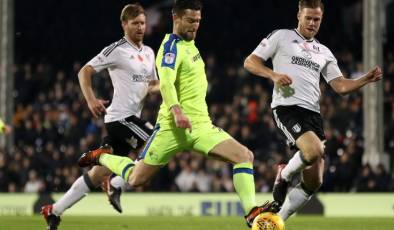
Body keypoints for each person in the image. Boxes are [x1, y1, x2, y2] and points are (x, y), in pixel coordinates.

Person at [78, 0, 273, 227]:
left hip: (200, 126)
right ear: (175, 18)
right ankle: (101, 156)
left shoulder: (191, 45)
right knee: (135, 179)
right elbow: (167, 82)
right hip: (171, 127)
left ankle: (250, 213)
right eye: (190, 21)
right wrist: (176, 111)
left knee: (244, 156)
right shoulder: (170, 47)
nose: (195, 26)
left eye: (198, 21)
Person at [244, 0, 382, 222]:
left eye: (316, 19)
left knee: (314, 181)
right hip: (287, 109)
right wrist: (273, 75)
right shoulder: (281, 36)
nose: (312, 23)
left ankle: (276, 220)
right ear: (298, 15)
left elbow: (340, 86)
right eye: (308, 18)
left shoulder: (324, 52)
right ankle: (285, 173)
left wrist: (364, 79)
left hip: (313, 115)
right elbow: (250, 62)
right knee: (314, 151)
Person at [41, 3, 159, 230]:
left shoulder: (148, 52)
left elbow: (152, 85)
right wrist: (91, 99)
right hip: (120, 118)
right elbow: (84, 71)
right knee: (157, 142)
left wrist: (167, 88)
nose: (141, 28)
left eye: (143, 23)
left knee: (96, 176)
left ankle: (54, 210)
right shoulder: (116, 50)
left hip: (131, 119)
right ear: (124, 25)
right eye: (135, 23)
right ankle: (117, 184)